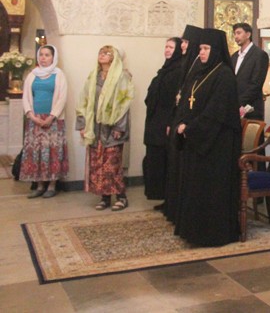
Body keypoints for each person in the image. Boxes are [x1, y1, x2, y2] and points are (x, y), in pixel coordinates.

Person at [171, 28, 241, 247]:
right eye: (200, 48)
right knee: (195, 189)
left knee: (211, 191)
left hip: (216, 145)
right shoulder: (200, 73)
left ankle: (211, 234)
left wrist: (191, 128)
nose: (201, 52)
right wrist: (182, 123)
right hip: (197, 140)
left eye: (205, 48)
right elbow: (187, 102)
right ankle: (193, 231)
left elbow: (216, 112)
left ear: (216, 50)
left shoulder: (224, 75)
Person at [76, 45, 135, 211]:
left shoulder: (121, 77)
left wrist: (119, 127)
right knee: (98, 164)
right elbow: (83, 100)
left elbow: (124, 104)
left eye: (107, 53)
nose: (102, 55)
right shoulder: (93, 76)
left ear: (114, 57)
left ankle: (121, 197)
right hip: (95, 128)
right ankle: (105, 197)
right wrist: (83, 124)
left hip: (112, 128)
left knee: (112, 164)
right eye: (101, 52)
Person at [163, 24, 202, 222]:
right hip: (178, 119)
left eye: (186, 42)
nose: (183, 45)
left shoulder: (198, 65)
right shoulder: (188, 62)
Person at [20, 45, 68, 198]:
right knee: (37, 153)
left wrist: (51, 117)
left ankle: (52, 185)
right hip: (35, 120)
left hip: (53, 120)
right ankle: (40, 185)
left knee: (52, 152)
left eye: (47, 55)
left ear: (53, 57)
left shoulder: (59, 74)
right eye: (41, 54)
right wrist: (31, 115)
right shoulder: (32, 74)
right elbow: (26, 97)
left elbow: (62, 98)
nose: (43, 58)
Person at [142, 37, 183, 205]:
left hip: (166, 123)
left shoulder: (179, 71)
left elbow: (174, 101)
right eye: (166, 47)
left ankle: (170, 200)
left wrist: (170, 122)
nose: (167, 50)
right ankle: (163, 197)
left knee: (166, 161)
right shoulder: (164, 70)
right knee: (155, 160)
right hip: (155, 122)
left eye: (171, 47)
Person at [232, 22, 269, 119]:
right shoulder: (234, 56)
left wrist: (239, 103)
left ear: (248, 34)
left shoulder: (260, 55)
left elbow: (256, 84)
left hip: (252, 108)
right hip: (234, 108)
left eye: (239, 33)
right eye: (234, 34)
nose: (236, 36)